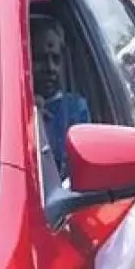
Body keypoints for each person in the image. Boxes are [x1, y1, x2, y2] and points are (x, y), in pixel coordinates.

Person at [30, 14, 90, 177]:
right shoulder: (9, 115)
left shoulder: (76, 110)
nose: (50, 68)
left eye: (55, 59)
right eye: (40, 59)